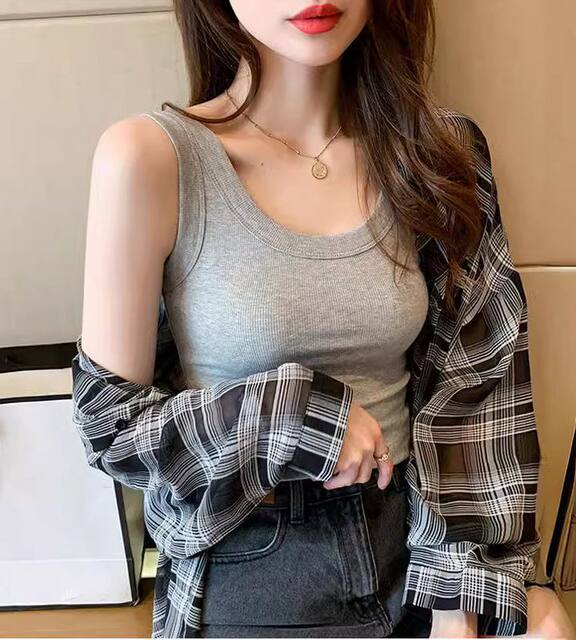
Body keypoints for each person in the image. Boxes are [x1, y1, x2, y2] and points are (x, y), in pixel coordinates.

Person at [71, 1, 570, 637]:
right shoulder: (152, 158)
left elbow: (479, 388)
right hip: (257, 559)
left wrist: (461, 604)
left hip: (419, 548)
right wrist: (293, 413)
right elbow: (110, 425)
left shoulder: (437, 152)